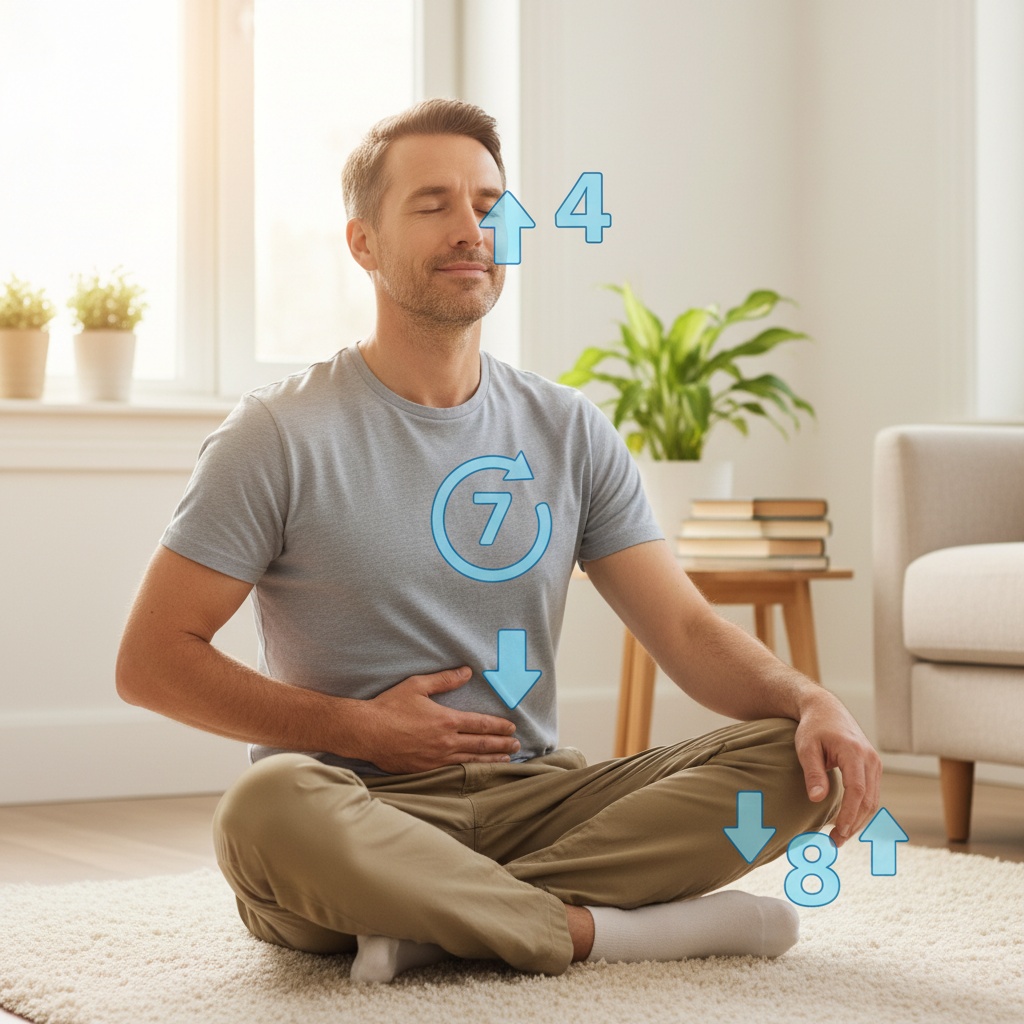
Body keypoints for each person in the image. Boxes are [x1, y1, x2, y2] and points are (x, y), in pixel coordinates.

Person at [116, 98, 881, 984]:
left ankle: (437, 924)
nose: (471, 229)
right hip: (354, 806)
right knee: (263, 810)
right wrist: (359, 728)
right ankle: (597, 930)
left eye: (488, 204)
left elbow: (684, 629)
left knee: (794, 758)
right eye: (432, 203)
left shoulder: (568, 428)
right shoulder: (277, 434)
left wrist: (811, 700)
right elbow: (151, 662)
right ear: (363, 243)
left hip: (540, 800)